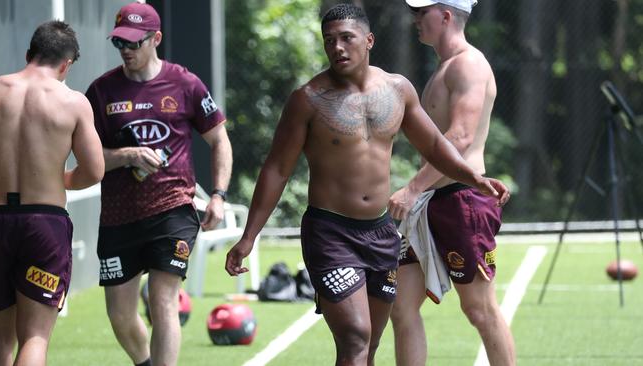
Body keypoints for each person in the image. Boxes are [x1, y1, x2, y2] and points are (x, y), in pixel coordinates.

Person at [225, 4, 509, 365]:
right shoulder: (307, 100)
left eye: (347, 38)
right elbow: (277, 170)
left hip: (380, 234)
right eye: (330, 41)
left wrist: (475, 179)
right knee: (355, 338)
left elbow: (436, 145)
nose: (338, 47)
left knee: (370, 344)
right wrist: (249, 237)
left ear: (369, 40)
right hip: (330, 234)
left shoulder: (397, 90)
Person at [85, 2, 232, 365]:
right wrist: (127, 156)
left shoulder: (185, 84)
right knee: (119, 313)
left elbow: (220, 141)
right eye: (120, 43)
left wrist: (217, 195)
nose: (127, 50)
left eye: (135, 42)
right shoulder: (101, 92)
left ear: (156, 39)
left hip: (173, 209)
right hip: (118, 217)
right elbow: (88, 160)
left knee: (162, 298)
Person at [389, 1, 516, 365]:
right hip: (430, 201)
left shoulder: (468, 64)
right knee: (401, 307)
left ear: (445, 16)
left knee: (479, 309)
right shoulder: (443, 67)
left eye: (422, 11)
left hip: (460, 202)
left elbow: (460, 136)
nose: (415, 19)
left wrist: (411, 188)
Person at [0, 20, 105, 366]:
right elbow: (95, 170)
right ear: (66, 64)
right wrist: (61, 181)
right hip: (44, 225)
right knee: (35, 337)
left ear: (29, 54)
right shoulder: (72, 102)